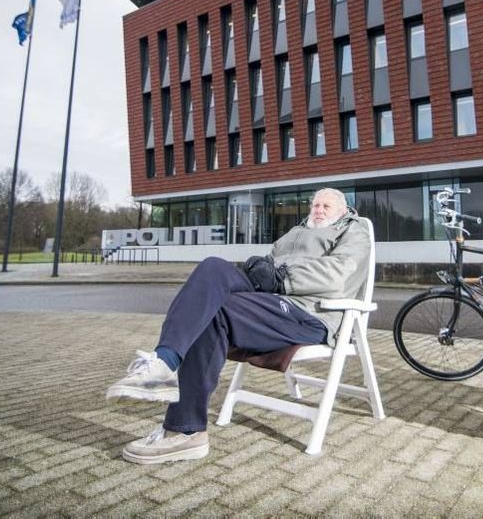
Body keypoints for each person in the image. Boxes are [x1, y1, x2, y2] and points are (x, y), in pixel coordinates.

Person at [106, 188, 371, 465]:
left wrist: (281, 278)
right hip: (273, 299)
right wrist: (260, 266)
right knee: (213, 269)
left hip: (309, 311)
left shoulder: (354, 232)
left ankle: (186, 429)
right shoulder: (296, 231)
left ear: (342, 210)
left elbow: (340, 274)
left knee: (214, 311)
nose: (317, 210)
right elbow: (273, 264)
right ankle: (164, 361)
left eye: (326, 206)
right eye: (315, 204)